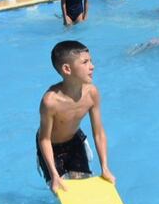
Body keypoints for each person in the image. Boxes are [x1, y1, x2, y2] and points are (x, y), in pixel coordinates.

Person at [37, 41, 115, 194]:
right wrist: (54, 174)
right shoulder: (50, 101)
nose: (92, 66)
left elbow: (98, 133)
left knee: (84, 189)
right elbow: (44, 139)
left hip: (74, 142)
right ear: (67, 69)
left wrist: (105, 167)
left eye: (91, 61)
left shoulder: (92, 93)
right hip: (51, 147)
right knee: (61, 191)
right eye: (85, 62)